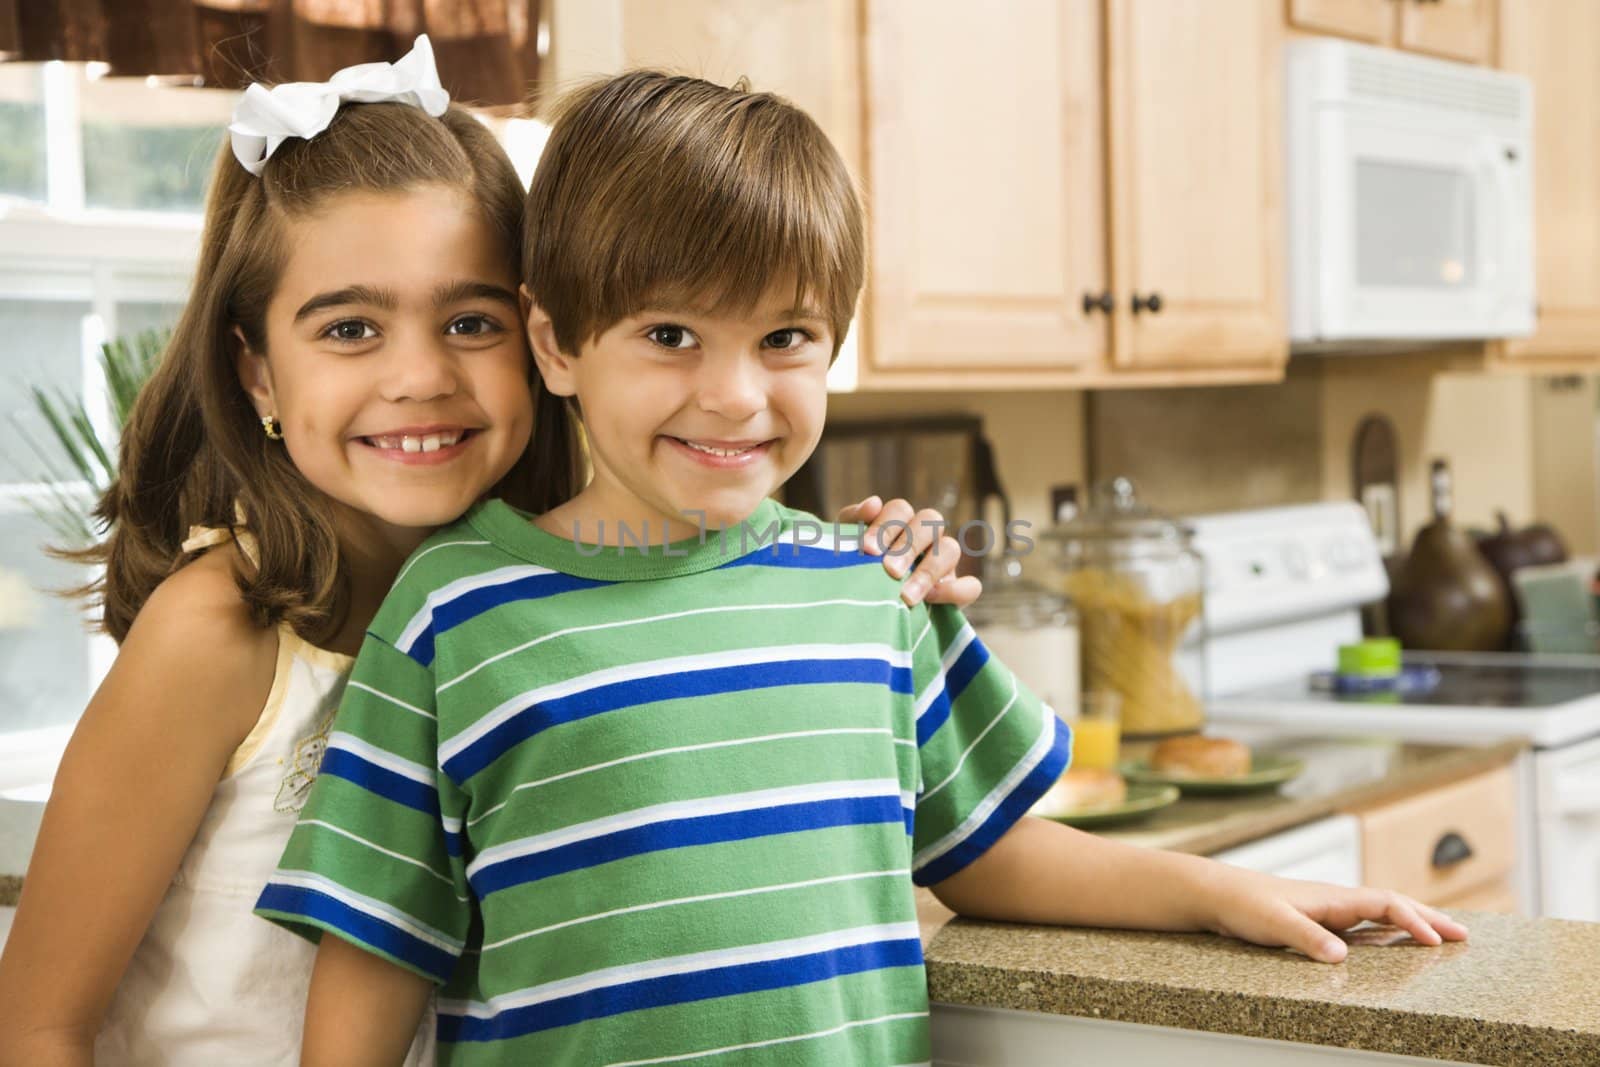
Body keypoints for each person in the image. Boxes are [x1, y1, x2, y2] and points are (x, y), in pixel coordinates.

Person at [259, 70, 1466, 1066]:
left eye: (784, 338)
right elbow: (373, 951)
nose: (733, 394)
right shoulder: (455, 612)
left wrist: (1225, 892)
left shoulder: (873, 589)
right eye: (669, 334)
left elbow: (982, 846)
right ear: (557, 341)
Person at [0, 42, 973, 1067]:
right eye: (348, 328)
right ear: (257, 374)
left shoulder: (541, 608)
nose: (420, 375)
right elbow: (35, 1023)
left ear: (546, 339)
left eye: (471, 320)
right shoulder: (218, 631)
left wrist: (882, 568)